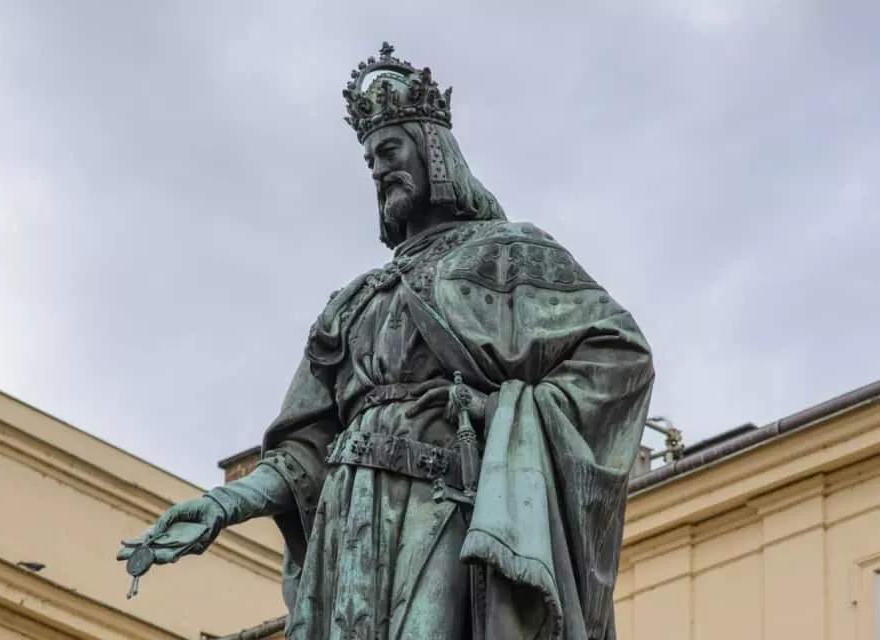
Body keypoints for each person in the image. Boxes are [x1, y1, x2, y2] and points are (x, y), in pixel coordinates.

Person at [118, 42, 655, 640]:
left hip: (441, 509)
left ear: (432, 150)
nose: (377, 169)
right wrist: (225, 505)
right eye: (370, 158)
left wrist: (498, 413)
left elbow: (619, 356)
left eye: (389, 150)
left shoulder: (511, 255)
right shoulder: (355, 301)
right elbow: (304, 451)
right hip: (348, 531)